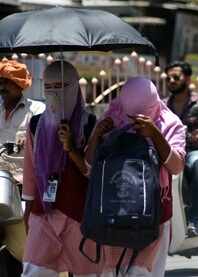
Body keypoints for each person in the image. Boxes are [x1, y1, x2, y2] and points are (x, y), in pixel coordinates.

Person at [21, 61, 114, 276]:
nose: (55, 93)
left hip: (79, 213)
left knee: (86, 272)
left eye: (62, 86)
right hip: (44, 212)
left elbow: (92, 171)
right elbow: (31, 171)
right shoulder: (35, 124)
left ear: (74, 87)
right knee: (35, 270)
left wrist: (71, 148)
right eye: (50, 87)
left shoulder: (89, 124)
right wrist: (28, 213)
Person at [86, 77, 186, 276]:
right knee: (110, 272)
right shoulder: (113, 117)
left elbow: (176, 167)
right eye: (130, 114)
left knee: (141, 272)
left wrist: (155, 134)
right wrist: (97, 135)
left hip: (154, 215)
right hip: (114, 211)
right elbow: (89, 165)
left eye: (142, 113)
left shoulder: (170, 123)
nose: (133, 119)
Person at [0, 58, 45, 276]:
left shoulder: (37, 112)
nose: (2, 86)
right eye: (0, 81)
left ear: (20, 85)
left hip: (23, 193)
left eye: (8, 81)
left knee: (21, 250)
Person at [164, 61, 198, 236]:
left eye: (176, 77)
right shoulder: (163, 106)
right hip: (170, 153)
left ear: (187, 79)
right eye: (169, 78)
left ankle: (195, 219)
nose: (172, 80)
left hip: (193, 152)